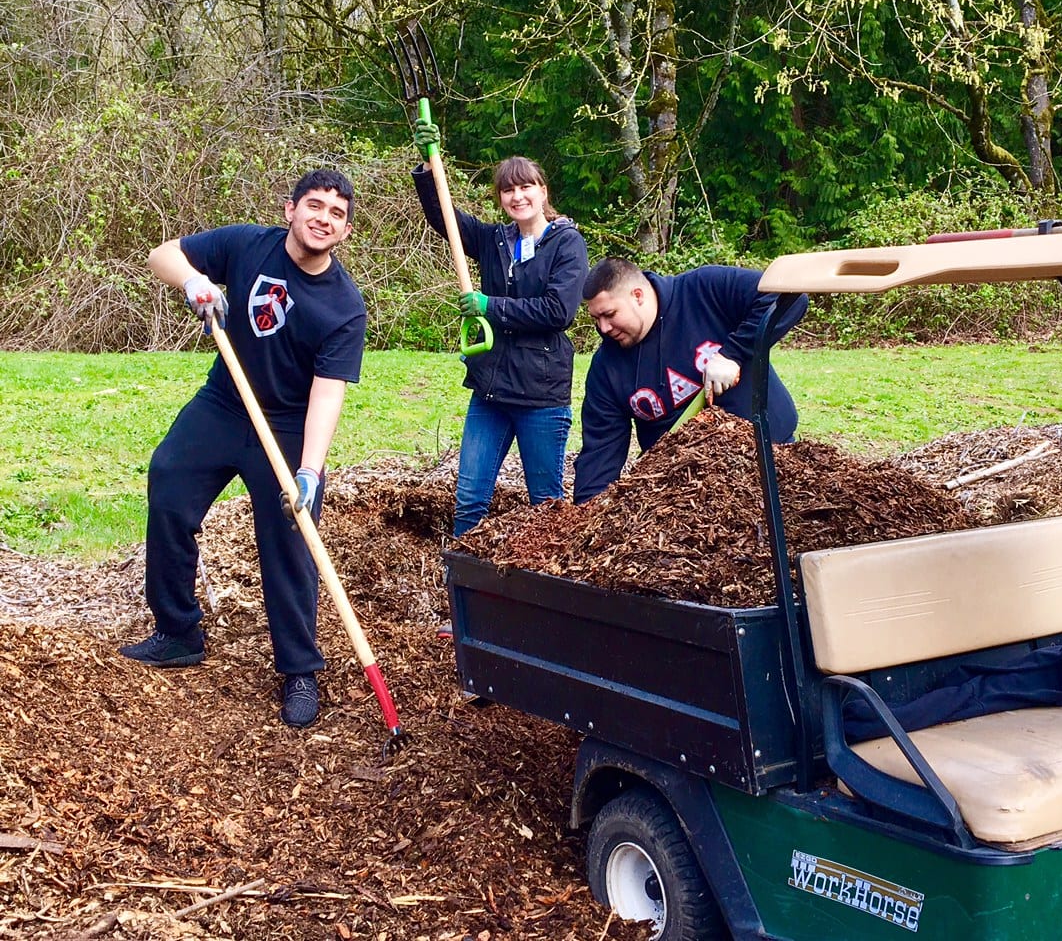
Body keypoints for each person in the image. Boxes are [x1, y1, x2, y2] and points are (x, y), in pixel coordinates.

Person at [119, 169, 367, 729]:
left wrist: (309, 471)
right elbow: (164, 254)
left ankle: (300, 671)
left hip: (285, 425)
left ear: (345, 231)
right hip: (224, 403)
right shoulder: (245, 244)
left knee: (290, 540)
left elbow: (328, 395)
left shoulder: (345, 308)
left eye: (337, 213)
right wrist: (193, 284)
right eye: (315, 205)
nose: (323, 218)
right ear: (290, 209)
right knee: (169, 485)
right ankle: (178, 632)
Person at [411, 123, 589, 544]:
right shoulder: (495, 240)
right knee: (470, 499)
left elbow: (558, 310)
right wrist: (427, 162)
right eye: (508, 191)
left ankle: (547, 587)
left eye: (526, 187)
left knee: (545, 504)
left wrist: (492, 306)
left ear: (543, 192)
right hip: (491, 393)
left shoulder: (567, 243)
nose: (518, 196)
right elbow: (445, 218)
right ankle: (460, 581)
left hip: (540, 397)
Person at [573, 257, 808, 503]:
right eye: (596, 319)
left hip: (771, 460)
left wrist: (733, 354)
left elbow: (788, 298)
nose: (604, 328)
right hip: (684, 497)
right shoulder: (607, 368)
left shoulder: (704, 290)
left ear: (638, 295)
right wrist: (587, 513)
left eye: (609, 314)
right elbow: (600, 451)